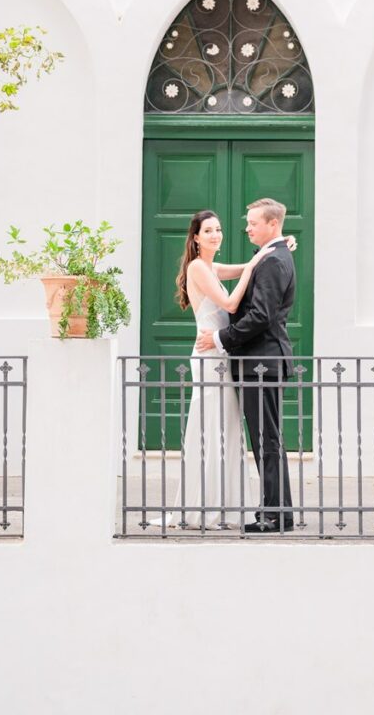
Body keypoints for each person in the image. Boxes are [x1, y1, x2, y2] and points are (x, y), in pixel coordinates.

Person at [157, 209, 292, 530]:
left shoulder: (212, 266)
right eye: (208, 231)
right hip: (209, 353)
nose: (216, 235)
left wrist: (279, 245)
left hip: (222, 353)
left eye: (218, 229)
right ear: (195, 238)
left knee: (228, 428)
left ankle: (228, 505)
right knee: (211, 427)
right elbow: (231, 304)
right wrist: (260, 259)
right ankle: (204, 505)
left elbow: (247, 268)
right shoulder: (197, 267)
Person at [196, 198, 296, 534]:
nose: (247, 228)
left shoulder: (272, 261)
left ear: (272, 224)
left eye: (253, 223)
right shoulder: (273, 256)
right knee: (268, 439)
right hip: (261, 362)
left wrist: (221, 339)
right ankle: (276, 512)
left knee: (267, 440)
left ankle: (275, 516)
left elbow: (260, 316)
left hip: (261, 363)